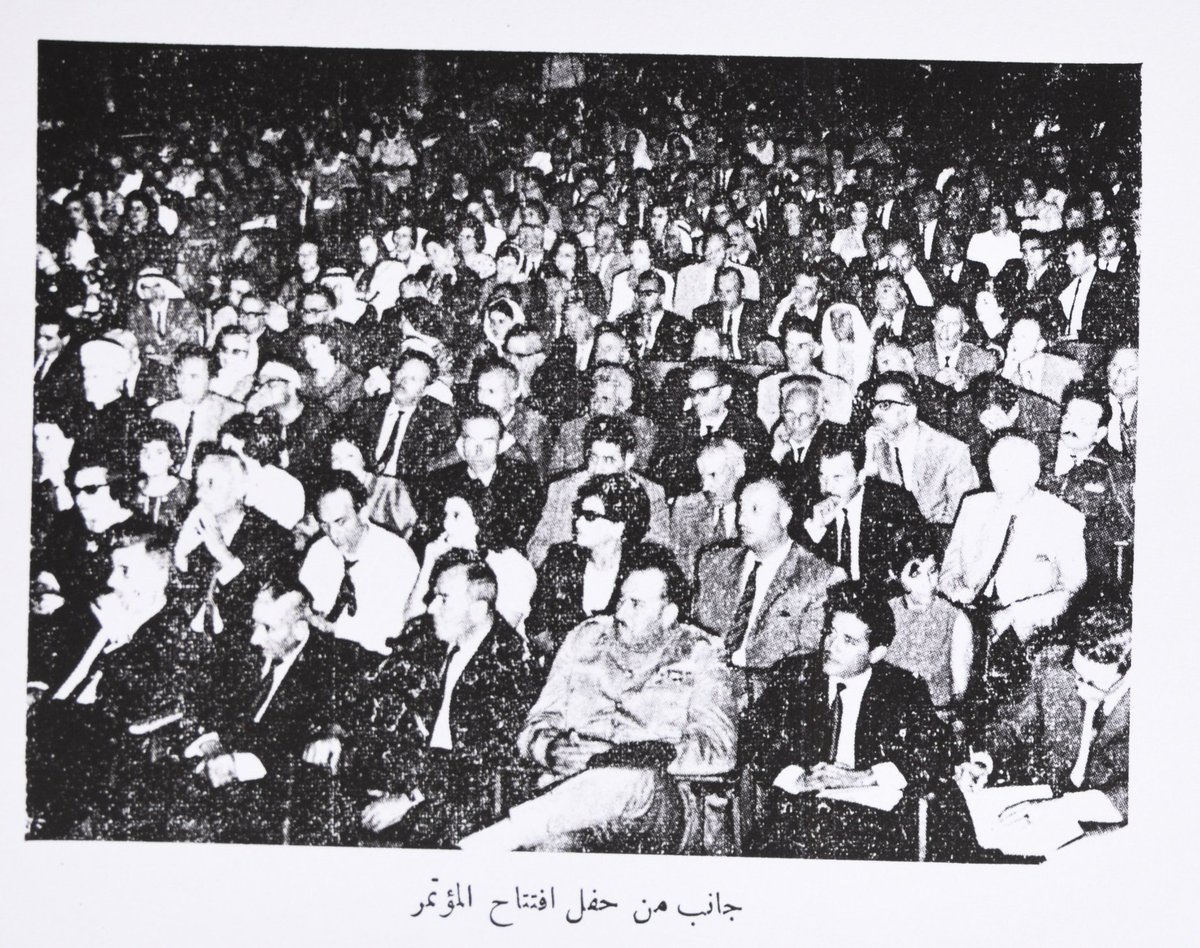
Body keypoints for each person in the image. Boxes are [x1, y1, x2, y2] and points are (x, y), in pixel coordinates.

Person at [459, 554, 737, 854]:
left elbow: (720, 747)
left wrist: (641, 753)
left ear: (668, 614)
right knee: (550, 850)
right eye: (621, 599)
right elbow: (536, 725)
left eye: (636, 604)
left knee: (631, 774)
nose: (620, 612)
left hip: (656, 804)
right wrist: (550, 750)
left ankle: (500, 837)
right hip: (570, 795)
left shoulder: (700, 654)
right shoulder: (585, 638)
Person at [745, 581, 952, 860]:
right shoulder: (794, 675)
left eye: (849, 640)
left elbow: (934, 752)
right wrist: (799, 778)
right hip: (797, 820)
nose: (831, 646)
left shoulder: (903, 689)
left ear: (876, 653)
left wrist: (863, 777)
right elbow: (755, 738)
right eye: (830, 633)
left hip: (870, 828)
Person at [351, 551, 538, 847]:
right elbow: (374, 693)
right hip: (411, 770)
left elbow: (481, 761)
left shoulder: (510, 664)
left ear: (478, 609)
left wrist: (409, 799)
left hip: (461, 793)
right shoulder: (431, 638)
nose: (431, 606)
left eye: (444, 598)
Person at [958, 601, 1130, 843]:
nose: (1080, 689)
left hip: (1109, 830)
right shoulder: (1053, 665)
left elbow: (1134, 793)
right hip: (1041, 817)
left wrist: (1062, 807)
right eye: (1077, 674)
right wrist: (983, 761)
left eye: (1093, 684)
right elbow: (1010, 723)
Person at [940, 437, 1086, 680]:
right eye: (993, 470)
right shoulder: (973, 506)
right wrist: (955, 588)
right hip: (968, 614)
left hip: (1026, 622)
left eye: (1009, 471)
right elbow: (949, 570)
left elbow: (1072, 589)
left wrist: (1015, 613)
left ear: (1034, 474)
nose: (999, 480)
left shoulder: (1063, 517)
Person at [693, 476, 846, 672]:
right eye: (741, 508)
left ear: (784, 517)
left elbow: (805, 663)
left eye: (755, 509)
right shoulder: (714, 563)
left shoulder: (820, 577)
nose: (741, 520)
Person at [525, 472, 670, 662]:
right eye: (579, 514)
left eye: (590, 516)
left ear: (619, 526)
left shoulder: (644, 568)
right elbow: (537, 628)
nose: (578, 522)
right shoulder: (561, 559)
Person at [299, 473, 420, 656]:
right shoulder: (319, 552)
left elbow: (393, 634)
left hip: (370, 660)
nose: (333, 534)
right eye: (325, 525)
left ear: (362, 513)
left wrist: (337, 630)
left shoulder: (397, 557)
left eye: (341, 522)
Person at [528, 414, 669, 567]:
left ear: (628, 461)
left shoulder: (652, 493)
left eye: (609, 460)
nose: (598, 469)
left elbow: (658, 554)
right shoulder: (562, 490)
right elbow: (536, 548)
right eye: (593, 458)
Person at [1044, 384, 1135, 596]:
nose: (1071, 426)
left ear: (1100, 433)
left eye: (1083, 421)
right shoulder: (1037, 455)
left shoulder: (1115, 469)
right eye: (1068, 418)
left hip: (1087, 576)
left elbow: (1126, 528)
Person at [799, 434, 926, 587]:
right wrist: (817, 532)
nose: (827, 488)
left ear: (860, 477)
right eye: (823, 477)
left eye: (837, 477)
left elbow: (907, 575)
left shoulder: (894, 505)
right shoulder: (813, 506)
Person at [420, 405, 546, 552]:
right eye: (472, 440)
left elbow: (518, 539)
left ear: (501, 443)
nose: (479, 451)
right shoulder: (440, 480)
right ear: (460, 442)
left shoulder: (523, 479)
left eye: (488, 441)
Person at [864, 371, 979, 526]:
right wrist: (869, 462)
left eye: (885, 405)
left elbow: (963, 520)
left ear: (911, 412)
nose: (875, 413)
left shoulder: (951, 451)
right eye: (874, 405)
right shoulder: (875, 447)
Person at [886, 528, 975, 713]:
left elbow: (960, 695)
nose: (928, 582)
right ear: (895, 574)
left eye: (932, 571)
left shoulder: (956, 620)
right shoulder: (884, 613)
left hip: (933, 721)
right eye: (915, 574)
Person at [339, 349, 457, 486]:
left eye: (413, 379)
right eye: (401, 373)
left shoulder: (438, 419)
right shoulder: (365, 410)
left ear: (425, 389)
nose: (403, 381)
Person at [151, 345, 243, 480]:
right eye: (179, 374)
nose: (183, 382)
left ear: (211, 378)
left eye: (193, 376)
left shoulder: (231, 411)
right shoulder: (161, 413)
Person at [669, 437, 746, 578]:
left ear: (739, 469)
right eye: (702, 477)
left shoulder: (755, 511)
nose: (705, 486)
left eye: (713, 475)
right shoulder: (684, 509)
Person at [692, 266, 771, 363]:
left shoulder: (759, 313)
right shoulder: (704, 314)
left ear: (742, 291)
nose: (723, 297)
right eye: (720, 292)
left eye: (729, 291)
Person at [912, 305, 997, 394]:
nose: (944, 330)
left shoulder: (982, 360)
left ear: (964, 328)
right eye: (941, 322)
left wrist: (963, 385)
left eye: (953, 324)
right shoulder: (916, 356)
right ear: (933, 323)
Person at [1000, 315, 1083, 404]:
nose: (1014, 342)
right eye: (1013, 336)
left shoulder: (1065, 368)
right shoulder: (1008, 373)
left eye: (1023, 337)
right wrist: (1006, 374)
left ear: (1040, 344)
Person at [616, 268, 693, 361]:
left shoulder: (679, 324)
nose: (642, 298)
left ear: (661, 297)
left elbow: (675, 360)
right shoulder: (626, 322)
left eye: (648, 293)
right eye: (640, 293)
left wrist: (650, 341)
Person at [1105, 346, 1138, 459]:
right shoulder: (1093, 404)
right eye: (1115, 366)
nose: (1121, 374)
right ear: (1107, 368)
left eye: (1131, 368)